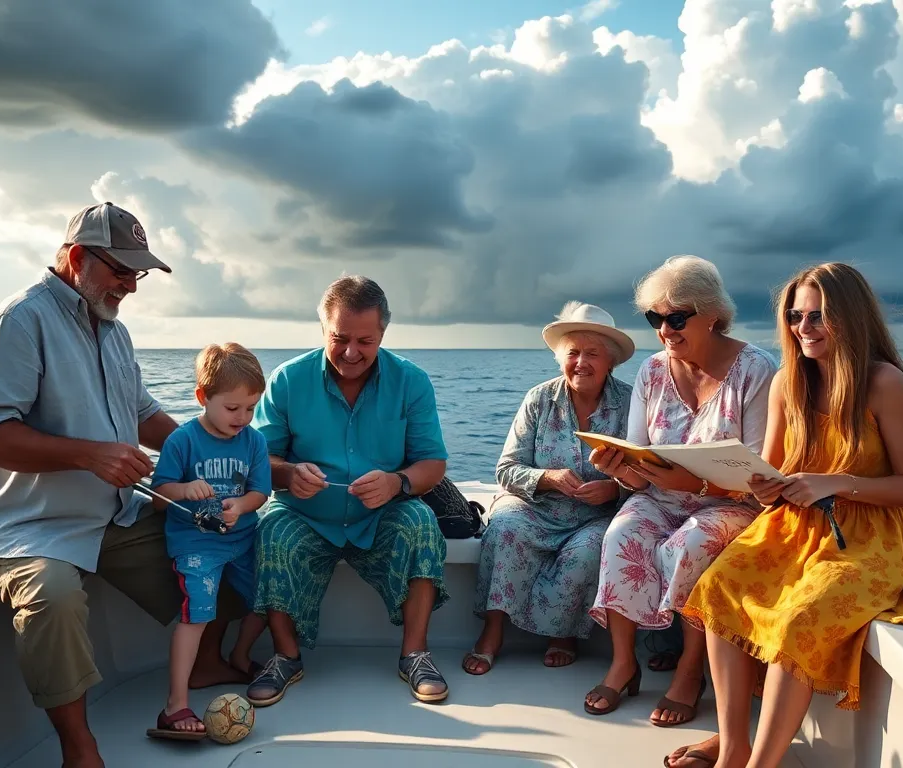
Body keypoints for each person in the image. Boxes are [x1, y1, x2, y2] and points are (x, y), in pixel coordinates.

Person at [0, 202, 252, 768]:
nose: (130, 287)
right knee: (54, 600)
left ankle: (209, 659)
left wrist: (221, 454)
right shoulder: (18, 322)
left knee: (217, 537)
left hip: (110, 514)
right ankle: (80, 749)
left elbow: (143, 415)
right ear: (75, 258)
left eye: (137, 274)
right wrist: (90, 456)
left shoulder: (112, 329)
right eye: (121, 271)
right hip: (26, 527)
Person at [670, 263, 903, 768]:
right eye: (795, 317)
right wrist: (765, 486)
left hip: (867, 536)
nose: (802, 329)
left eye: (817, 318)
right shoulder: (789, 382)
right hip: (793, 525)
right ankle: (733, 745)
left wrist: (835, 482)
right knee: (719, 588)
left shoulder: (883, 382)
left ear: (850, 319)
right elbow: (777, 472)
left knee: (798, 619)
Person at [585, 255, 777, 728]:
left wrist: (696, 483)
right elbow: (639, 457)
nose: (665, 330)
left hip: (729, 504)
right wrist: (620, 469)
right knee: (621, 535)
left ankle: (691, 672)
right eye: (655, 319)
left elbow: (756, 473)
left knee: (691, 544)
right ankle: (623, 663)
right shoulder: (652, 371)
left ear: (713, 314)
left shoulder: (755, 370)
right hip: (660, 495)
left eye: (676, 317)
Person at [245, 275, 452, 706]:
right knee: (272, 532)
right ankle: (286, 658)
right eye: (339, 338)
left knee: (421, 521)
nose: (352, 352)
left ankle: (415, 655)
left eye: (366, 341)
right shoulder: (286, 380)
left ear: (383, 335)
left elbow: (432, 465)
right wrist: (287, 474)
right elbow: (259, 458)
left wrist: (398, 482)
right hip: (305, 516)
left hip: (380, 517)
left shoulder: (411, 381)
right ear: (322, 329)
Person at [464, 302, 634, 675]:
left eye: (593, 354)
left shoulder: (631, 404)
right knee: (505, 528)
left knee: (590, 549)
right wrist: (546, 478)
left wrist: (612, 491)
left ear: (611, 362)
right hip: (536, 507)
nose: (581, 362)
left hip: (595, 515)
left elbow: (647, 476)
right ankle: (493, 629)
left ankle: (564, 634)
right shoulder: (538, 399)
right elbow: (506, 469)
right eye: (573, 352)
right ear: (560, 358)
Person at [145, 343, 272, 740]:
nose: (242, 418)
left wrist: (241, 506)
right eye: (232, 408)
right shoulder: (182, 441)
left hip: (243, 538)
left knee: (269, 598)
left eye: (251, 408)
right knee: (196, 616)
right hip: (197, 546)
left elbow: (260, 492)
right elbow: (157, 496)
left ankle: (239, 654)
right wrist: (184, 490)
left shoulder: (253, 441)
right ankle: (175, 704)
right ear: (203, 397)